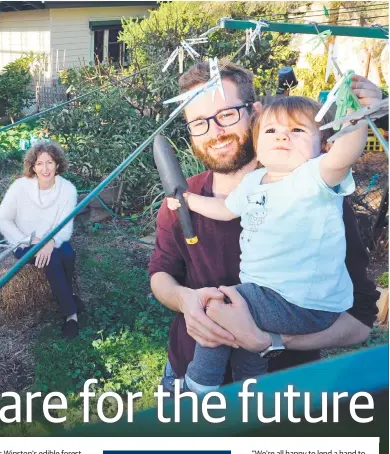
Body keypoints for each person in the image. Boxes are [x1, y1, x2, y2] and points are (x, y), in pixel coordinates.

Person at [148, 61, 380, 393]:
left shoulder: (313, 194)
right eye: (199, 123)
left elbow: (358, 322)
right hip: (183, 369)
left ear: (255, 111)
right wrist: (186, 301)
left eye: (226, 114)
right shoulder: (182, 200)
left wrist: (269, 340)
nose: (215, 132)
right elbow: (160, 273)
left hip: (283, 388)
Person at [0, 141, 82, 339]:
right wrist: (28, 240)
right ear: (32, 166)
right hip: (25, 242)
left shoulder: (68, 190)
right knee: (52, 260)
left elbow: (65, 227)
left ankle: (67, 296)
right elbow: (2, 218)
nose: (45, 169)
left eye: (50, 163)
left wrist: (49, 242)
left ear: (57, 164)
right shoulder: (20, 187)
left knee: (68, 254)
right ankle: (71, 314)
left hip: (53, 239)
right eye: (40, 163)